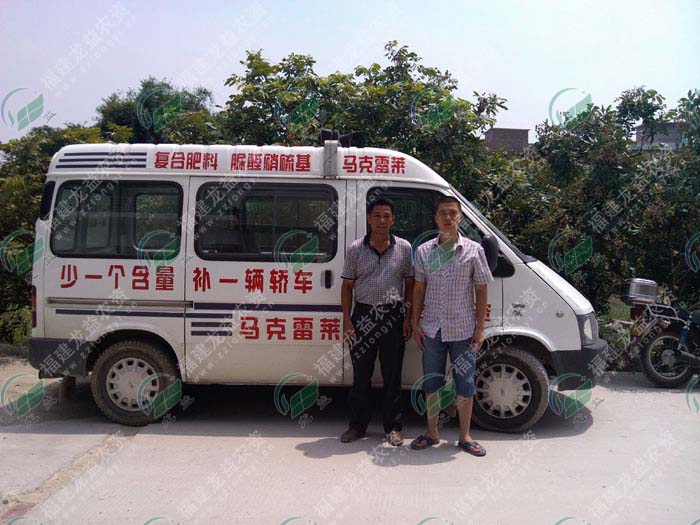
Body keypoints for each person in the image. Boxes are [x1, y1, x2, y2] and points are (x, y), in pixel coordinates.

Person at [410, 195, 494, 456]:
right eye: (443, 213)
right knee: (432, 383)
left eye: (453, 213)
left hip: (463, 331)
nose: (448, 217)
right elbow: (418, 289)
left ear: (460, 217)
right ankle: (432, 432)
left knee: (464, 384)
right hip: (432, 329)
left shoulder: (474, 251)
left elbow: (481, 289)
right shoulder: (424, 251)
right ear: (435, 218)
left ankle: (465, 436)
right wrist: (415, 323)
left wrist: (480, 328)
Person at [339, 197, 414, 446]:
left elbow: (410, 284)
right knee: (361, 375)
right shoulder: (355, 249)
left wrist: (407, 317)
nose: (382, 220)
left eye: (386, 216)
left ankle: (393, 428)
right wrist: (348, 321)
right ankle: (357, 426)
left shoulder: (404, 248)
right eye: (377, 215)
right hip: (363, 316)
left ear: (393, 220)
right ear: (369, 218)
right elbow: (347, 286)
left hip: (393, 315)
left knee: (392, 375)